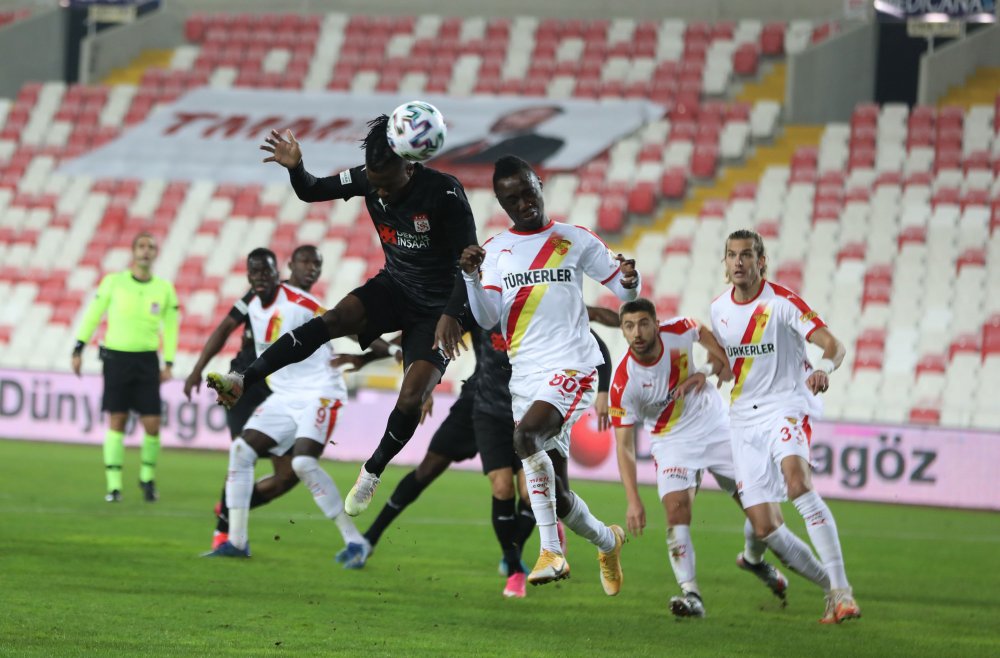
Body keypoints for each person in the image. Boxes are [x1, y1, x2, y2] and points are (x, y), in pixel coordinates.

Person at [207, 115, 478, 519]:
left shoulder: (445, 193)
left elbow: (469, 263)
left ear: (410, 164)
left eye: (387, 183)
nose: (380, 191)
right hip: (396, 287)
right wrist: (296, 167)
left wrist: (453, 314)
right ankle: (243, 378)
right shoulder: (368, 178)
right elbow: (313, 191)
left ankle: (372, 471)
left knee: (413, 395)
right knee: (335, 319)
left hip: (440, 308)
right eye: (374, 183)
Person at [335, 308, 619, 600]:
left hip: (523, 413)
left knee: (528, 489)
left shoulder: (538, 307)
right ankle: (370, 539)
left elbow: (593, 343)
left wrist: (603, 391)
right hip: (478, 403)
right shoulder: (484, 305)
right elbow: (429, 338)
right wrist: (409, 379)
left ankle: (515, 560)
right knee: (429, 470)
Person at [460, 155, 639, 596]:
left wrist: (631, 280)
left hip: (573, 366)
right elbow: (487, 319)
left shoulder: (573, 238)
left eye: (527, 191)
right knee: (555, 494)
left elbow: (624, 290)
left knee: (524, 439)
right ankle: (607, 540)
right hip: (525, 377)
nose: (523, 203)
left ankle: (550, 551)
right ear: (502, 203)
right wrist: (469, 277)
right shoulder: (497, 250)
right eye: (511, 198)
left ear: (540, 184)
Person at [710, 229, 860, 624]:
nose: (738, 262)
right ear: (725, 264)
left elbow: (834, 345)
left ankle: (841, 590)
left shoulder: (783, 303)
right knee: (763, 525)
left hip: (785, 407)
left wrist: (824, 369)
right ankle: (829, 589)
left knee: (797, 484)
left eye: (746, 255)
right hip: (743, 418)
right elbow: (735, 361)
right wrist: (718, 369)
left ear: (762, 262)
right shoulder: (718, 309)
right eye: (731, 255)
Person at [611, 298, 790, 618]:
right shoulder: (623, 382)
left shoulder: (678, 330)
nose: (637, 332)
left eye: (643, 323)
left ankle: (753, 559)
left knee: (760, 511)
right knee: (676, 509)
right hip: (672, 440)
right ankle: (691, 594)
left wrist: (713, 367)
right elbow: (623, 445)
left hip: (714, 425)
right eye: (628, 326)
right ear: (622, 331)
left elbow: (705, 334)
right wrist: (633, 500)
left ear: (656, 323)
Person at [204, 248, 364, 558]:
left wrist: (387, 347)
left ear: (279, 272)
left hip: (313, 393)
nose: (312, 269)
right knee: (241, 451)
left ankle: (354, 540)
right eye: (307, 262)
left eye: (317, 263)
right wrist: (202, 371)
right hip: (271, 390)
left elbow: (344, 324)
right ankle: (232, 538)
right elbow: (225, 327)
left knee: (295, 469)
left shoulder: (301, 302)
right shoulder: (253, 300)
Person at [72, 231, 179, 503]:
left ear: (156, 253)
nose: (146, 251)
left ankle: (146, 479)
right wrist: (78, 347)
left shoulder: (164, 288)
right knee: (117, 420)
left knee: (152, 424)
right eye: (141, 246)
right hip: (116, 359)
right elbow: (94, 314)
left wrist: (168, 361)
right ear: (133, 251)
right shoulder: (113, 282)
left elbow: (171, 326)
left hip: (146, 360)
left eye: (151, 246)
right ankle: (114, 485)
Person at [435, 105, 565, 166]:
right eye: (516, 112)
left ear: (538, 123)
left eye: (523, 116)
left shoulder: (540, 145)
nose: (510, 117)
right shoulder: (478, 142)